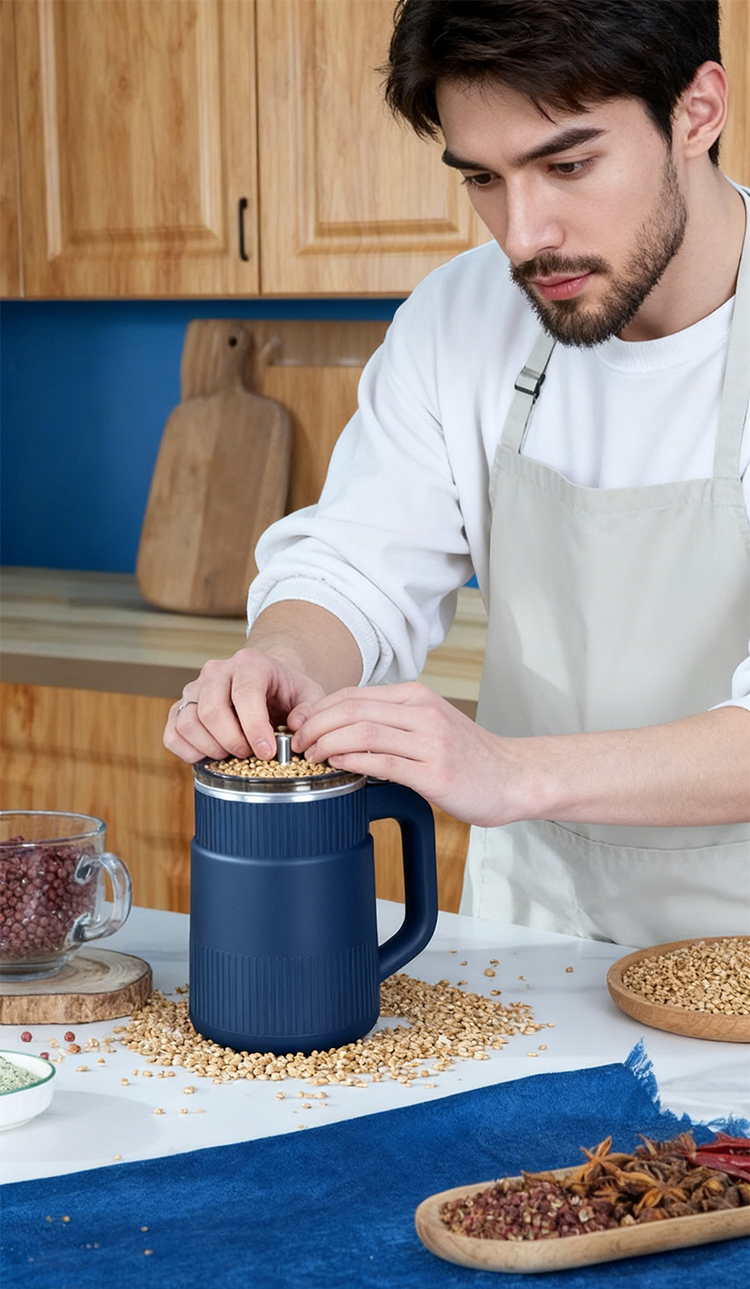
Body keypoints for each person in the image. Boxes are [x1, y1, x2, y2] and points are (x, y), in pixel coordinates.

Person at [165, 0, 750, 946]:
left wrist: (511, 771)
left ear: (697, 111)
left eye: (567, 164)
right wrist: (283, 663)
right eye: (483, 176)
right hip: (535, 936)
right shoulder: (461, 316)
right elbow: (356, 567)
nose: (523, 236)